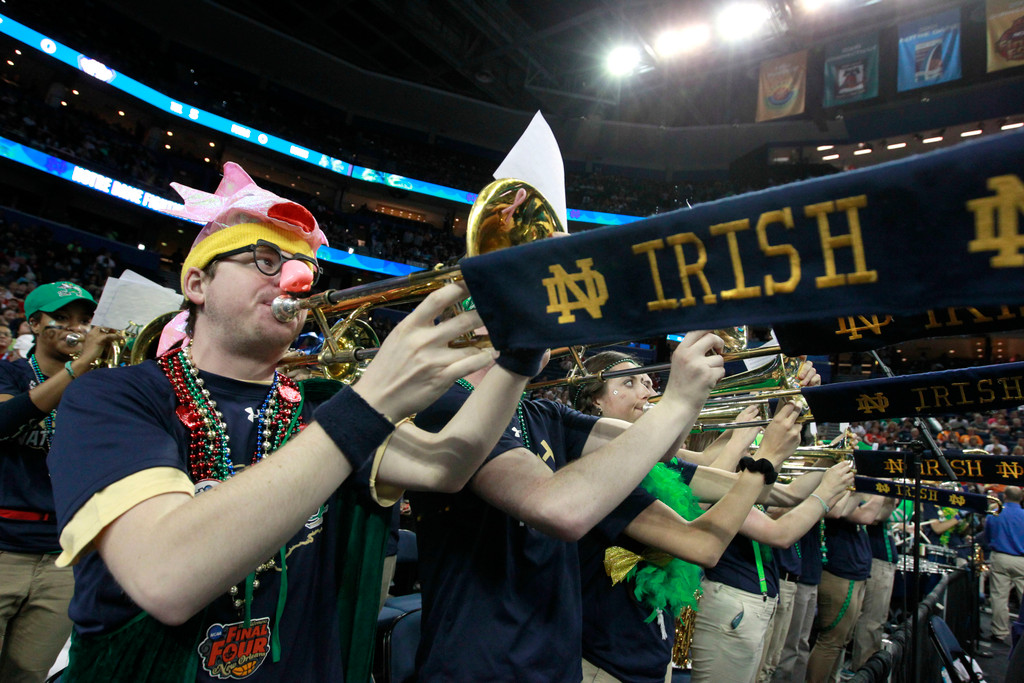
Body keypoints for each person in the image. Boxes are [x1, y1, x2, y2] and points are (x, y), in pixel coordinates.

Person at [46, 163, 531, 682]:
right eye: (265, 259)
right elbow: (165, 578)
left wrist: (518, 361)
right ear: (197, 283)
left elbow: (448, 467)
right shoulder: (113, 395)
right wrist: (368, 403)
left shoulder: (320, 403)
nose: (296, 281)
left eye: (305, 267)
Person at [0, 281, 120, 682]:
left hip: (62, 557)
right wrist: (77, 368)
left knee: (28, 674)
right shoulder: (9, 372)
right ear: (34, 323)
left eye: (85, 320)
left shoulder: (97, 389)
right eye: (62, 318)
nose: (78, 328)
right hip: (3, 548)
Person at [806, 493, 892, 683]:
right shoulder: (841, 491)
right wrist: (872, 486)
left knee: (841, 641)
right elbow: (860, 515)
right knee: (830, 642)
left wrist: (889, 494)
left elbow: (876, 516)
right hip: (839, 570)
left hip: (854, 571)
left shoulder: (854, 493)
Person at [984, 486, 1024, 643]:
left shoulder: (996, 513)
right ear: (1021, 498)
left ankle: (1000, 633)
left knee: (999, 597)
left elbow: (987, 536)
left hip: (1000, 557)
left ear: (1004, 496)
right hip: (1022, 559)